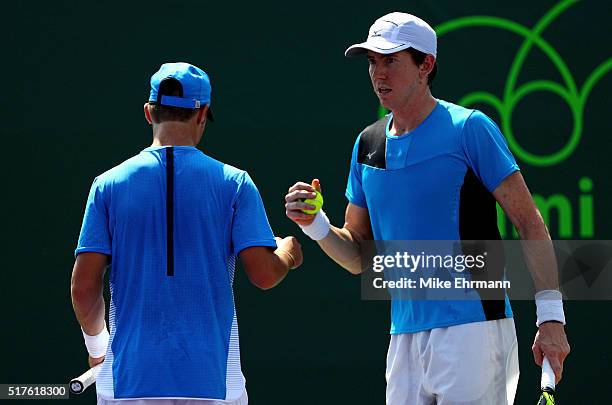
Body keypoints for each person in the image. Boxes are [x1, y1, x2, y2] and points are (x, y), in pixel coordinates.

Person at [284, 13, 569, 405]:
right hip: (403, 337)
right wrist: (316, 223)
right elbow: (358, 256)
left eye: (391, 61)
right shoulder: (368, 144)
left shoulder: (470, 128)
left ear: (426, 65)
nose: (378, 74)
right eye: (372, 62)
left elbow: (529, 222)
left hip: (474, 332)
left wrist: (550, 318)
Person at [71, 62, 303, 405]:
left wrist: (98, 350)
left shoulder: (106, 185)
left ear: (149, 113)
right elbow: (265, 275)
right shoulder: (235, 183)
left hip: (127, 385)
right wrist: (287, 252)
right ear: (203, 114)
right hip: (214, 387)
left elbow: (83, 288)